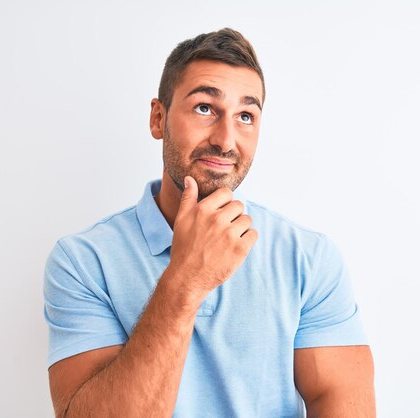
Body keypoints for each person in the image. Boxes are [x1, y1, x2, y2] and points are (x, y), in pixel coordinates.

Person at [43, 27, 375, 418]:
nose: (226, 139)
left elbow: (340, 403)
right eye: (204, 108)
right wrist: (187, 278)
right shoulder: (83, 262)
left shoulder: (308, 257)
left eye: (246, 115)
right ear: (158, 118)